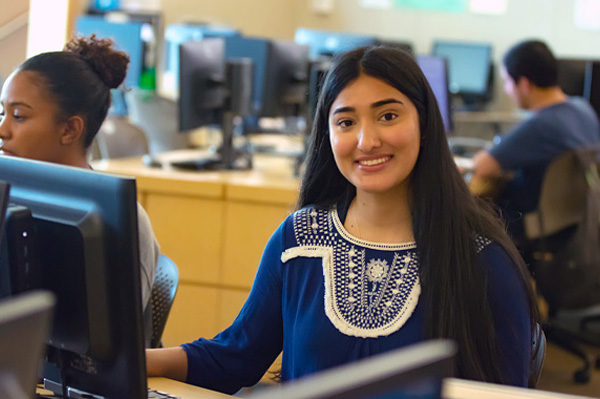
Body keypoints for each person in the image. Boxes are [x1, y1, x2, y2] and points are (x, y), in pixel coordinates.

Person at [146, 46, 538, 393]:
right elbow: (235, 357)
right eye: (346, 122)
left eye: (387, 115)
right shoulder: (298, 239)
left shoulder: (482, 259)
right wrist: (138, 359)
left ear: (424, 123)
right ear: (328, 134)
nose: (366, 141)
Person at [0, 35, 159, 310]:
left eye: (18, 117)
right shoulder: (7, 196)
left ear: (69, 130)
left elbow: (117, 345)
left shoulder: (121, 221)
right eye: (1, 113)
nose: (3, 129)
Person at [472, 39, 600, 242]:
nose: (506, 89)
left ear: (523, 84)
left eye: (507, 81)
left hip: (528, 226)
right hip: (571, 225)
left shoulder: (541, 126)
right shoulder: (583, 109)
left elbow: (481, 167)